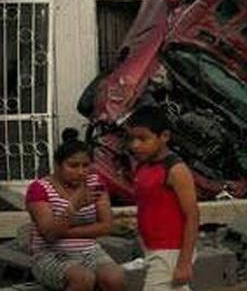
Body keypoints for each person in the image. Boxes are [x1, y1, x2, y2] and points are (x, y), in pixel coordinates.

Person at [25, 129, 125, 291]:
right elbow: (49, 234)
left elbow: (106, 226)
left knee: (116, 278)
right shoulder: (39, 189)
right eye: (73, 166)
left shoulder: (95, 183)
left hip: (90, 251)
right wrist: (73, 206)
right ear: (57, 165)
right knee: (83, 279)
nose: (81, 171)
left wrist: (65, 232)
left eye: (85, 165)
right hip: (50, 255)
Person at [126, 105, 200, 291]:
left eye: (143, 139)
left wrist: (184, 263)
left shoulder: (175, 170)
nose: (135, 145)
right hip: (152, 248)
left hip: (171, 252)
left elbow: (193, 215)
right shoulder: (143, 166)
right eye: (132, 139)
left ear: (164, 136)